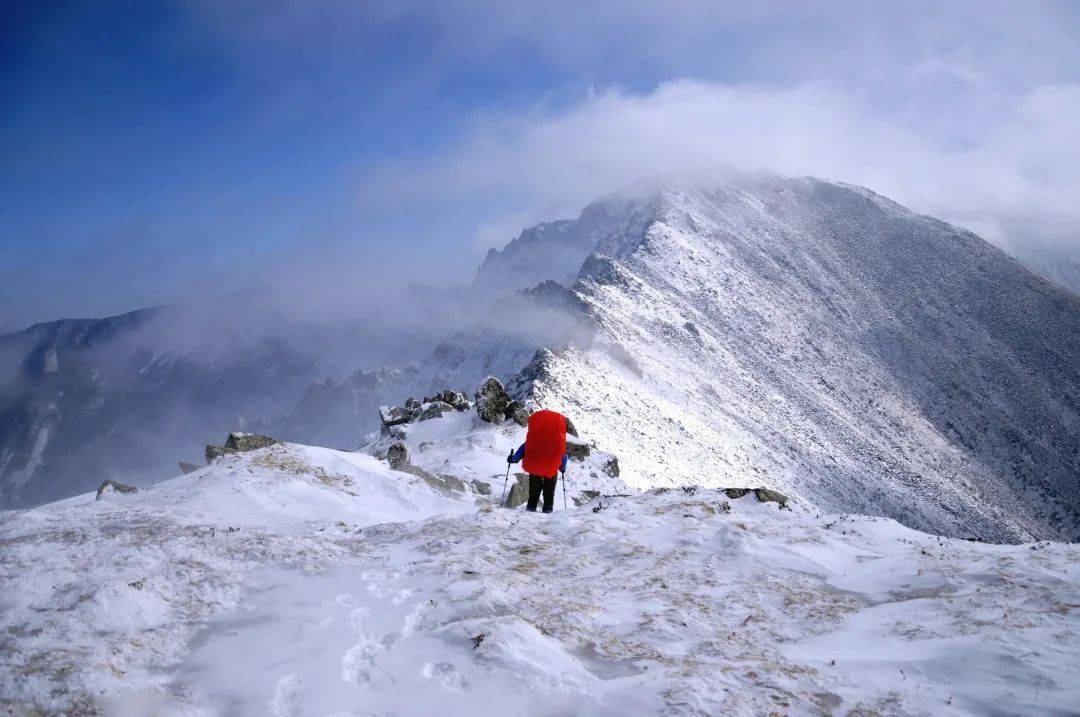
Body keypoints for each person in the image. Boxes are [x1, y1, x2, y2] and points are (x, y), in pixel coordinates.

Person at [507, 409, 569, 513]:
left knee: (533, 495)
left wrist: (512, 459)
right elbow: (563, 454)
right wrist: (562, 467)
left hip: (535, 470)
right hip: (551, 471)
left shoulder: (533, 440)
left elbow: (522, 451)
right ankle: (547, 515)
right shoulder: (557, 441)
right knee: (549, 496)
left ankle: (530, 513)